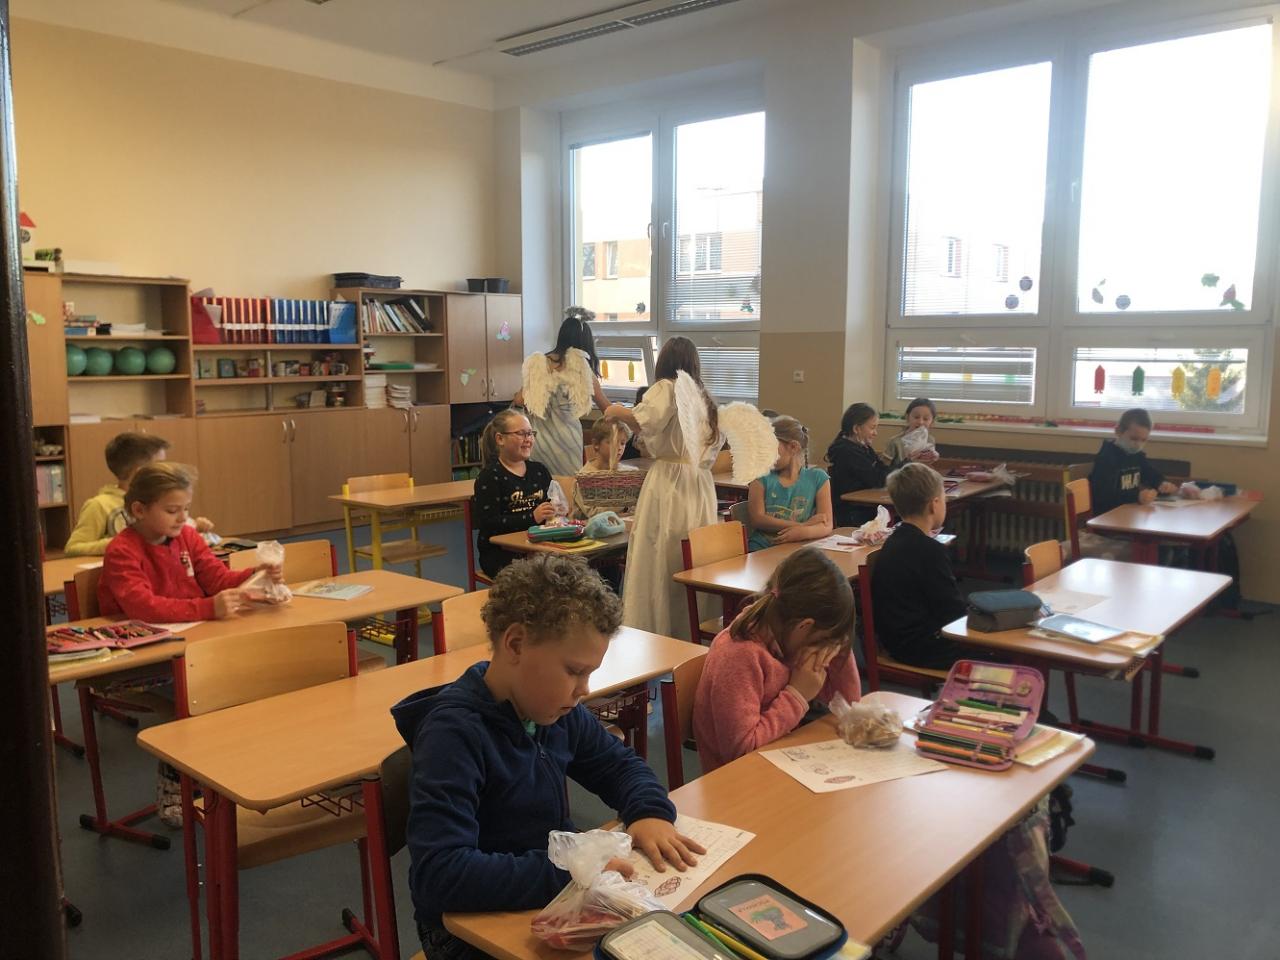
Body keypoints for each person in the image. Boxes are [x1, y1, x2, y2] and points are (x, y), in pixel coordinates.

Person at [392, 554, 706, 959]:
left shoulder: (552, 711)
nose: (584, 689)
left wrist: (648, 812)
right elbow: (441, 875)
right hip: (465, 933)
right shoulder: (453, 735)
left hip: (548, 892)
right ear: (516, 644)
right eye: (574, 671)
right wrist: (569, 872)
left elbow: (619, 765)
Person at [693, 547, 860, 771]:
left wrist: (838, 649)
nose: (823, 649)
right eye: (823, 640)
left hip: (781, 762)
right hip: (738, 781)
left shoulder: (787, 638)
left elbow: (848, 707)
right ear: (804, 627)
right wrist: (797, 695)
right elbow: (739, 754)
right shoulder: (738, 656)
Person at [604, 337, 723, 639]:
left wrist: (616, 410)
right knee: (690, 554)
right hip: (698, 483)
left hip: (670, 481)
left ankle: (657, 630)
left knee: (660, 554)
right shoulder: (704, 398)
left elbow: (645, 419)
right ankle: (690, 628)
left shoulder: (667, 388)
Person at [98, 462, 274, 622]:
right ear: (139, 510)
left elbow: (218, 580)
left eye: (187, 508)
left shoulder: (188, 536)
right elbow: (143, 608)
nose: (183, 518)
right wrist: (208, 608)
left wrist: (256, 575)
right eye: (172, 510)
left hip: (193, 626)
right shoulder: (122, 551)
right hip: (147, 637)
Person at [871, 463, 971, 670]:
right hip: (924, 647)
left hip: (899, 641)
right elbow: (953, 612)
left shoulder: (894, 540)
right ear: (934, 505)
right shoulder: (929, 550)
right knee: (1005, 652)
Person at [64, 431, 216, 556]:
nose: (167, 470)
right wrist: (122, 542)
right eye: (160, 465)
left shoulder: (161, 500)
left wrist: (196, 526)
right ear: (141, 472)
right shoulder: (99, 505)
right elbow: (73, 549)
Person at [515, 306, 610, 478]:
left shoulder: (540, 364)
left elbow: (520, 400)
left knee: (541, 487)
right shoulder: (582, 371)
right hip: (568, 442)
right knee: (567, 489)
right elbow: (607, 408)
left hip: (539, 441)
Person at [473, 408, 556, 579]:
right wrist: (531, 518)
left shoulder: (539, 470)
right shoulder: (490, 476)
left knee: (571, 569)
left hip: (538, 546)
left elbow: (551, 505)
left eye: (530, 433)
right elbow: (489, 522)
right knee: (538, 578)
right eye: (521, 434)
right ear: (500, 439)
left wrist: (556, 511)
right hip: (501, 553)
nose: (528, 439)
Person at [746, 416, 833, 552]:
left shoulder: (818, 478)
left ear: (793, 447)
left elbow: (827, 525)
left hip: (799, 549)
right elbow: (758, 519)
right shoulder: (760, 478)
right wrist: (805, 525)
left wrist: (803, 532)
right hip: (762, 548)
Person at [1088, 407, 1178, 514]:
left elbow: (1150, 474)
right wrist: (1136, 496)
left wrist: (1162, 484)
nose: (1138, 445)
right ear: (1118, 431)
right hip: (1106, 515)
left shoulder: (1137, 455)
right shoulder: (1106, 458)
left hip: (1129, 513)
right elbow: (1103, 495)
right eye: (1134, 438)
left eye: (1143, 440)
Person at [826, 402, 889, 528]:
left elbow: (880, 468)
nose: (875, 433)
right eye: (872, 428)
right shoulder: (847, 452)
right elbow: (876, 479)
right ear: (856, 429)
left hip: (863, 506)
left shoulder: (863, 447)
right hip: (852, 512)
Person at [572, 419, 638, 520]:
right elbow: (594, 513)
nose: (619, 448)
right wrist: (624, 502)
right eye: (613, 443)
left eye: (622, 443)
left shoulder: (630, 473)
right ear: (596, 444)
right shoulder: (583, 478)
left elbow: (637, 509)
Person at [884, 397, 940, 469]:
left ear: (932, 422)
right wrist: (908, 461)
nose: (920, 422)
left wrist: (933, 457)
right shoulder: (895, 442)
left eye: (925, 419)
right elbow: (884, 468)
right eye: (916, 417)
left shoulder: (930, 440)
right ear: (907, 417)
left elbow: (926, 465)